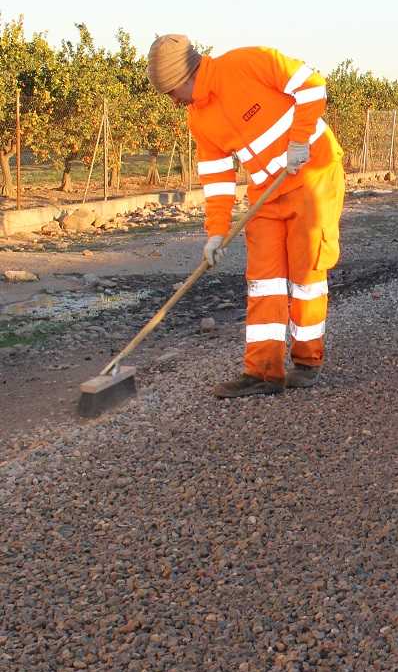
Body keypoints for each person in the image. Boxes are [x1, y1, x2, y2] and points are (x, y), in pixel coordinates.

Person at [146, 34, 344, 399]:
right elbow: (217, 180)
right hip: (266, 193)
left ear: (185, 76)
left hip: (312, 175)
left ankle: (307, 361)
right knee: (264, 280)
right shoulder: (198, 119)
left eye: (172, 92)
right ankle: (263, 371)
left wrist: (300, 141)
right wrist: (215, 234)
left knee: (305, 275)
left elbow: (313, 87)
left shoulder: (248, 63)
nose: (173, 102)